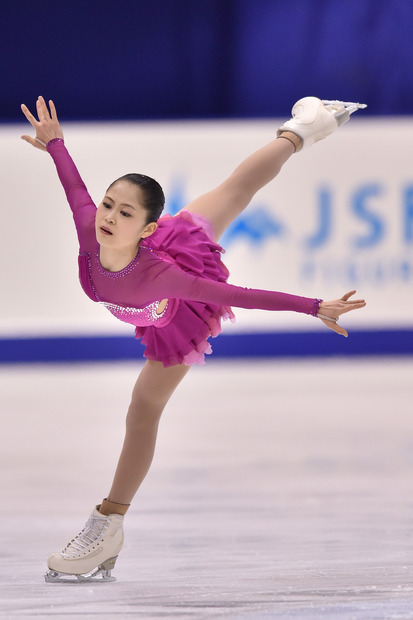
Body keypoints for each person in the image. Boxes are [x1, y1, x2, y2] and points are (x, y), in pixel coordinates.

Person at [21, 95, 366, 582]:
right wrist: (56, 144)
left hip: (177, 313)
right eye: (108, 205)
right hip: (154, 275)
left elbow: (237, 294)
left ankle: (107, 522)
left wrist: (313, 306)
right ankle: (306, 127)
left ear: (147, 228)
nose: (108, 218)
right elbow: (74, 187)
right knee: (235, 189)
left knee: (143, 408)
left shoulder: (165, 276)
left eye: (124, 213)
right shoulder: (88, 231)